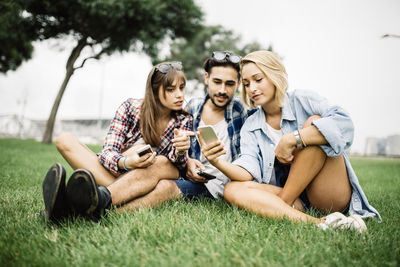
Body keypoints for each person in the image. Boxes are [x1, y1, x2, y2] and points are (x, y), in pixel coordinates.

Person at [198, 50, 381, 233]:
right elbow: (247, 169)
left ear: (274, 74)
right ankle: (319, 223)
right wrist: (217, 161)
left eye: (258, 79)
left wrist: (294, 139)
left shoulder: (304, 100)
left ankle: (280, 206)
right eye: (246, 84)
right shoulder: (251, 125)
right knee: (231, 189)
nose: (252, 88)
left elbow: (344, 124)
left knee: (314, 123)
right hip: (297, 202)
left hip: (327, 195)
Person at [41, 61, 194, 221]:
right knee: (64, 140)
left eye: (182, 88)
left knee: (160, 161)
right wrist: (128, 162)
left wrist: (180, 150)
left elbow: (178, 164)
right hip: (121, 172)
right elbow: (107, 153)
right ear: (154, 91)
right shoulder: (129, 108)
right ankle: (98, 199)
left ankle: (73, 207)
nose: (179, 95)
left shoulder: (183, 118)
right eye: (171, 89)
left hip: (154, 173)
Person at [104, 51, 255, 209]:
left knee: (165, 187)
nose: (222, 90)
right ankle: (102, 201)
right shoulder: (191, 109)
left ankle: (104, 212)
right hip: (193, 181)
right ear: (206, 78)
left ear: (238, 84)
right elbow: (175, 155)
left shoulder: (243, 111)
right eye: (217, 82)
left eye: (230, 84)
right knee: (156, 179)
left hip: (225, 187)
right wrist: (187, 161)